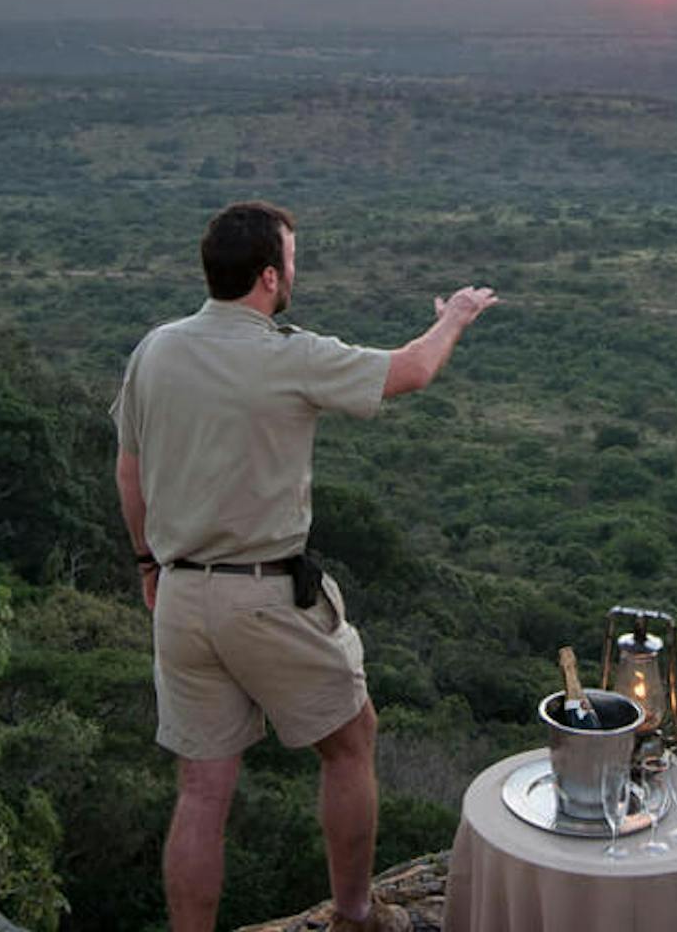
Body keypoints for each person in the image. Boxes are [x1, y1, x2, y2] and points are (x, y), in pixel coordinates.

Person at [112, 200, 498, 932]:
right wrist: (456, 316)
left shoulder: (154, 349)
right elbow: (411, 372)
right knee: (351, 741)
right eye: (291, 258)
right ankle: (354, 913)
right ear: (267, 277)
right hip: (262, 592)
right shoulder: (286, 354)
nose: (296, 270)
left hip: (182, 598)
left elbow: (129, 472)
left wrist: (147, 566)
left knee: (201, 791)